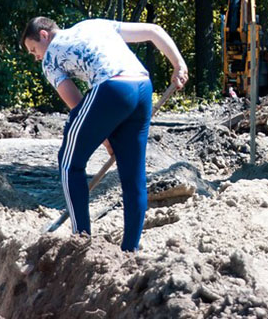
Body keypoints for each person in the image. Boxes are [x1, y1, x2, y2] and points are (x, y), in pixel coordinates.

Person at [20, 16, 187, 251]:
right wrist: (179, 65)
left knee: (69, 163)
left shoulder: (50, 58)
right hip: (142, 85)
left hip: (112, 87)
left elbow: (76, 103)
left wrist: (103, 135)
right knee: (133, 177)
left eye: (33, 50)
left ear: (44, 35)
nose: (36, 56)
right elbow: (153, 30)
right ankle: (130, 251)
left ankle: (80, 241)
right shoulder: (94, 24)